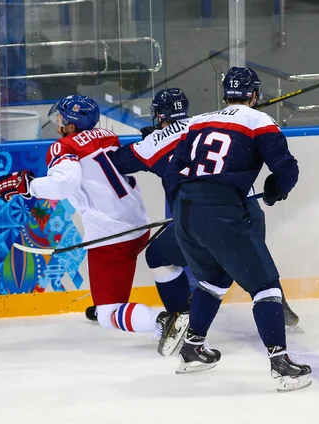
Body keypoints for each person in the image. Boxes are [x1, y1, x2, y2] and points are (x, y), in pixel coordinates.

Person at [0, 94, 188, 356]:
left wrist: (28, 186)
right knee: (137, 269)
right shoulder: (108, 135)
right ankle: (137, 304)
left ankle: (162, 321)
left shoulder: (64, 147)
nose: (58, 121)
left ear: (72, 124)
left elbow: (64, 185)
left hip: (112, 236)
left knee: (109, 314)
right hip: (138, 227)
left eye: (61, 117)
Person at [102, 87, 300, 333]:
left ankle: (181, 319)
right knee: (252, 257)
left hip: (202, 215)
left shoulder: (152, 143)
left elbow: (116, 161)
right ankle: (277, 302)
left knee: (158, 256)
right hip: (248, 209)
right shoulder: (207, 121)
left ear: (160, 116)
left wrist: (149, 138)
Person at [164, 68, 312, 392]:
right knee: (266, 286)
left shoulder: (199, 120)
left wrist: (185, 203)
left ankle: (193, 348)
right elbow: (287, 169)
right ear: (254, 95)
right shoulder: (260, 122)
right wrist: (274, 190)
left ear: (224, 94)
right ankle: (282, 364)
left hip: (185, 212)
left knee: (214, 279)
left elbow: (172, 171)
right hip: (220, 213)